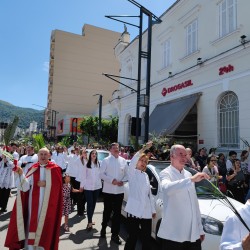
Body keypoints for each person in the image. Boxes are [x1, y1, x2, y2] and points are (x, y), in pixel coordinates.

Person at [5, 147, 63, 250]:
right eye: (41, 154)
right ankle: (30, 247)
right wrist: (21, 174)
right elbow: (25, 187)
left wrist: (47, 184)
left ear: (49, 156)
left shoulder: (55, 169)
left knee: (46, 224)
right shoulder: (33, 168)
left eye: (45, 154)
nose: (43, 156)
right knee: (32, 223)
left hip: (49, 205)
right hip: (33, 203)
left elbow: (59, 188)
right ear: (38, 156)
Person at [157, 144, 209, 250]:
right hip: (174, 233)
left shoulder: (188, 174)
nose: (184, 158)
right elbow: (166, 188)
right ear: (172, 156)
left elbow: (194, 203)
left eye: (185, 155)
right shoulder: (165, 173)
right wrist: (191, 180)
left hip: (192, 232)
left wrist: (200, 229)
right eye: (180, 154)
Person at [124, 141, 156, 250]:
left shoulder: (146, 175)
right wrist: (144, 148)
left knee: (146, 238)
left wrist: (153, 210)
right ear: (137, 161)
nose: (143, 163)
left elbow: (149, 194)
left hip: (146, 211)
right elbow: (133, 160)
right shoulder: (131, 172)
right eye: (141, 160)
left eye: (145, 161)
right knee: (132, 237)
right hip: (134, 211)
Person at [99, 142, 128, 245]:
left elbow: (127, 175)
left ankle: (115, 235)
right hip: (108, 191)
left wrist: (123, 181)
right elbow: (101, 174)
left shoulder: (123, 161)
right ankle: (103, 228)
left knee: (117, 214)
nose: (116, 149)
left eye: (117, 147)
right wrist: (112, 180)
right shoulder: (106, 161)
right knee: (107, 212)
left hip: (119, 192)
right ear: (110, 150)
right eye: (114, 147)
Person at [79, 149, 102, 231]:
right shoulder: (86, 164)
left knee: (94, 204)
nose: (94, 155)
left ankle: (90, 219)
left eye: (95, 154)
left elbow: (101, 175)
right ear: (90, 155)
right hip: (88, 187)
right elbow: (83, 176)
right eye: (93, 153)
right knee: (90, 203)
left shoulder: (98, 164)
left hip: (97, 187)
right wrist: (81, 186)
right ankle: (89, 222)